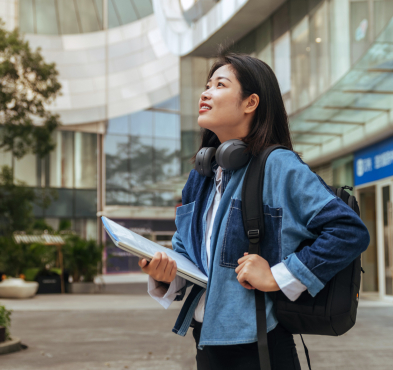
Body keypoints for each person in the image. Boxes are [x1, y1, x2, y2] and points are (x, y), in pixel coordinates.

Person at [138, 52, 370, 370]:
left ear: (250, 103)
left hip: (258, 349)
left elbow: (348, 231)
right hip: (206, 342)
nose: (205, 93)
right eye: (206, 85)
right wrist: (165, 276)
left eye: (220, 85)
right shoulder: (202, 174)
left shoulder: (278, 165)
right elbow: (189, 255)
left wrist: (277, 276)